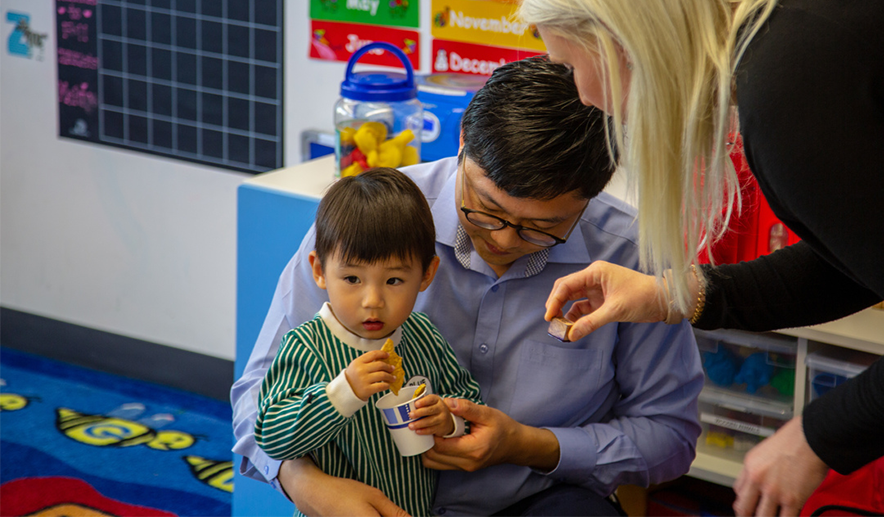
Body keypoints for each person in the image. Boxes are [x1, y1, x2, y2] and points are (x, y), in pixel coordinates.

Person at [517, 0, 884, 515]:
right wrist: (673, 294)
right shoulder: (809, 12)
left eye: (570, 67)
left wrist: (813, 438)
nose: (585, 97)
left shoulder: (789, 92)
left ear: (620, 36)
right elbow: (858, 258)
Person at [231, 56, 704, 517]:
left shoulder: (632, 257)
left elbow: (671, 436)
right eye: (484, 207)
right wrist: (303, 482)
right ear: (462, 145)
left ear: (593, 194)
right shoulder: (367, 225)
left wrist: (527, 444)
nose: (501, 240)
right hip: (369, 493)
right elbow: (256, 396)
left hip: (532, 497)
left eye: (541, 227)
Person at [254, 167, 483, 517]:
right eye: (351, 278)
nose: (372, 300)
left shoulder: (423, 336)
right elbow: (272, 435)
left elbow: (466, 399)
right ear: (318, 270)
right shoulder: (306, 346)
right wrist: (344, 392)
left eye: (393, 280)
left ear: (426, 274)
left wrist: (448, 420)